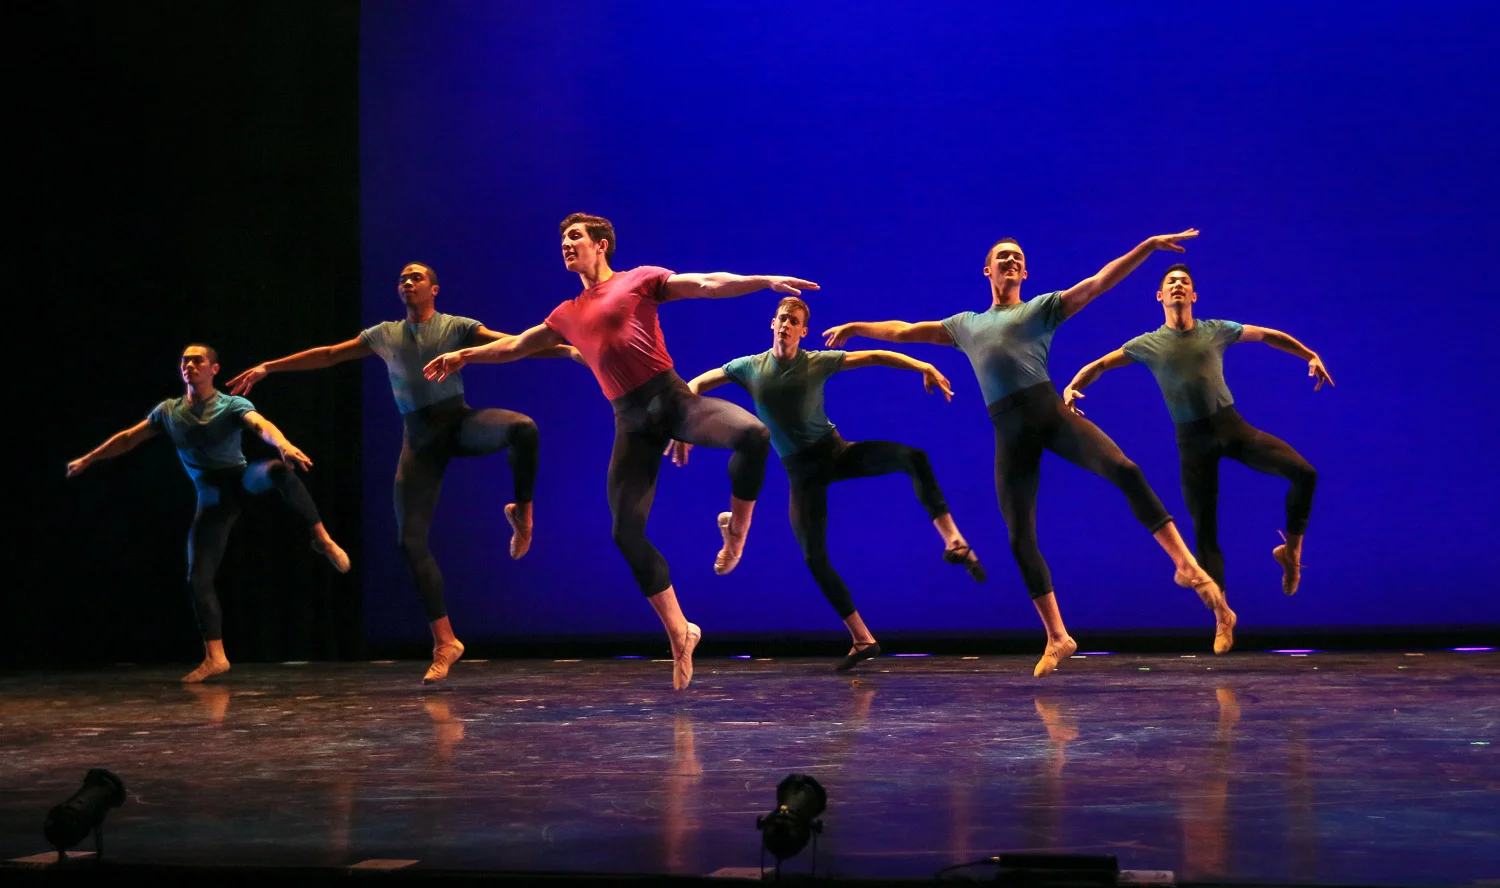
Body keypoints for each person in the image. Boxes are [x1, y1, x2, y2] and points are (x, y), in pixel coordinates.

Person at [422, 212, 817, 690]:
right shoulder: (566, 312)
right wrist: (465, 355)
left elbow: (708, 284)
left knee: (754, 435)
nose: (565, 245)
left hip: (672, 402)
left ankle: (737, 530)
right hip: (631, 422)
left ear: (601, 244)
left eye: (574, 237)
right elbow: (515, 347)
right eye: (562, 239)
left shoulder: (639, 281)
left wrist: (765, 281)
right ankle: (680, 630)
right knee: (625, 532)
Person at [822, 230, 1235, 676]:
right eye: (1003, 256)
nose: (1012, 260)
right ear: (988, 270)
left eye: (1018, 257)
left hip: (1049, 414)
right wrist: (856, 327)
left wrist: (1148, 247)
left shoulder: (1042, 309)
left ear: (1026, 271)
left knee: (1125, 469)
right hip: (1010, 432)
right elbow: (904, 331)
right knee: (1019, 536)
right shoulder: (966, 325)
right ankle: (1059, 636)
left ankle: (1185, 565)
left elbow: (1097, 283)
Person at [227, 262, 576, 683]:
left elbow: (514, 344)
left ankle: (522, 511)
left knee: (523, 428)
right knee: (410, 543)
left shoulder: (457, 327)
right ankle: (446, 641)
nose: (407, 283)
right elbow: (331, 354)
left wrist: (570, 350)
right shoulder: (384, 334)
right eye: (402, 279)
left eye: (416, 278)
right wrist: (270, 367)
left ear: (434, 289)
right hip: (419, 442)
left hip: (458, 424)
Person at [669, 295, 985, 671]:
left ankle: (954, 540)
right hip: (801, 473)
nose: (786, 325)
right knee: (813, 557)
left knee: (914, 458)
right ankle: (862, 638)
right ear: (773, 324)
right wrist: (683, 426)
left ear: (803, 332)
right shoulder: (750, 367)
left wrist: (922, 364)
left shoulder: (816, 361)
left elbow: (872, 357)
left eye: (794, 321)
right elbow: (697, 383)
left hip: (835, 452)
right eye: (782, 318)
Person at [67, 344, 350, 683]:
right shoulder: (168, 412)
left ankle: (322, 539)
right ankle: (215, 657)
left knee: (277, 470)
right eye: (185, 360)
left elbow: (260, 424)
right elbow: (128, 438)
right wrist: (88, 459)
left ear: (214, 369)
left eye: (198, 360)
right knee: (197, 577)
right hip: (211, 495)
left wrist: (283, 444)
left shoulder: (231, 404)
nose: (190, 365)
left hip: (239, 479)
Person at [1063, 263, 1330, 598]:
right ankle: (1222, 615)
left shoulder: (1215, 330)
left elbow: (1268, 335)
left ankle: (1291, 553)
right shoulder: (1148, 344)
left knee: (1305, 473)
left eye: (1184, 282)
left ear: (1193, 295)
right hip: (1192, 443)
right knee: (1205, 529)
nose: (1178, 285)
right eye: (1171, 282)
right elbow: (1101, 364)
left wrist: (1309, 354)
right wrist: (1073, 385)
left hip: (1231, 428)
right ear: (1160, 296)